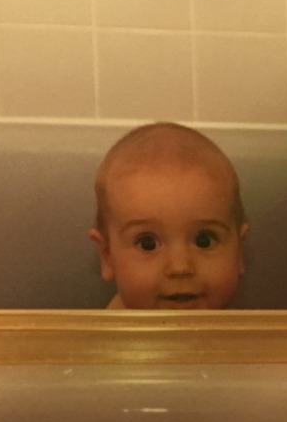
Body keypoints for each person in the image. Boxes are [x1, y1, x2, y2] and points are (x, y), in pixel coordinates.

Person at [89, 122, 249, 310]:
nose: (180, 267)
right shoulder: (106, 328)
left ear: (239, 252)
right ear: (107, 257)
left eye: (204, 240)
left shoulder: (256, 327)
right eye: (147, 243)